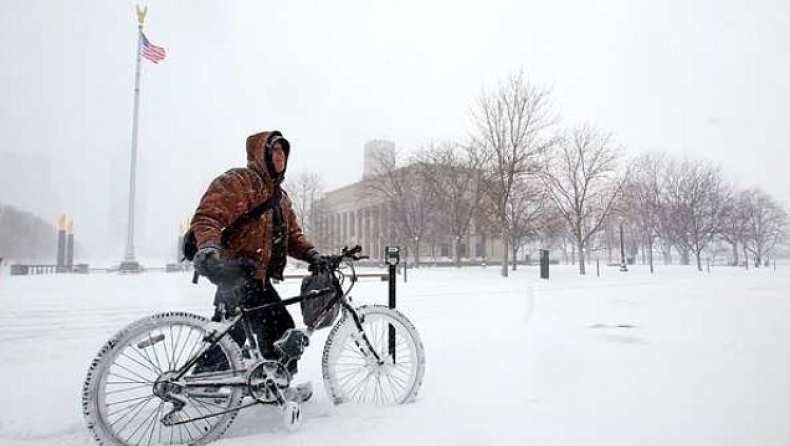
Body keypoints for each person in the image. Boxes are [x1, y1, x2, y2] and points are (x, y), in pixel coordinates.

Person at [190, 130, 325, 400]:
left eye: (283, 151)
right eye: (274, 151)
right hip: (234, 273)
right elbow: (208, 216)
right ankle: (261, 386)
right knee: (262, 332)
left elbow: (292, 237)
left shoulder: (281, 198)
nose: (280, 156)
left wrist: (313, 255)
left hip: (256, 277)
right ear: (260, 154)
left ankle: (229, 382)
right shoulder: (239, 181)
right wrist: (208, 247)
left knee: (243, 334)